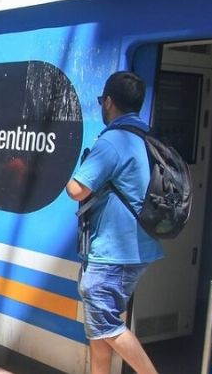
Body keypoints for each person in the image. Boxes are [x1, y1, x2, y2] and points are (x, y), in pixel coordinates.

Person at [66, 71, 163, 374]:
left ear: (108, 101)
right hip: (139, 247)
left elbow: (77, 189)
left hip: (113, 252)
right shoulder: (148, 137)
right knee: (99, 328)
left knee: (105, 325)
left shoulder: (113, 140)